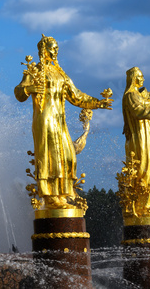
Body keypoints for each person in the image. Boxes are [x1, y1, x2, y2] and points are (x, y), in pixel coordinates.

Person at [14, 35, 111, 210]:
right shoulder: (34, 71)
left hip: (59, 122)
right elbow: (19, 92)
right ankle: (50, 195)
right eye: (53, 47)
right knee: (49, 156)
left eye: (57, 48)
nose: (56, 51)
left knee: (67, 156)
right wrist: (29, 89)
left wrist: (98, 103)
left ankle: (63, 193)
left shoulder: (60, 73)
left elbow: (76, 96)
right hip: (44, 120)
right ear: (44, 50)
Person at [121, 66, 150, 218]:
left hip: (147, 138)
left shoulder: (139, 95)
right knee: (145, 172)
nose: (143, 78)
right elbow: (139, 111)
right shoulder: (130, 95)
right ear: (134, 78)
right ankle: (141, 207)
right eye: (140, 76)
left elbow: (149, 105)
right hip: (139, 141)